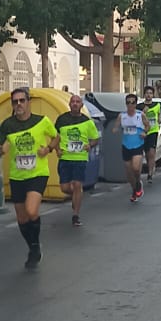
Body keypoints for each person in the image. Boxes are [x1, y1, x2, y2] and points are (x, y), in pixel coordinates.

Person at [0, 87, 60, 269]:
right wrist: (1, 149)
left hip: (38, 173)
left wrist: (47, 149)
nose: (19, 105)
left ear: (28, 102)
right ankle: (32, 247)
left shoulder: (42, 121)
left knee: (31, 211)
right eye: (15, 102)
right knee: (22, 218)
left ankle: (36, 245)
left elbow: (56, 137)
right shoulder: (8, 125)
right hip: (17, 175)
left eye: (22, 101)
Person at [55, 93, 101, 227]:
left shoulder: (87, 122)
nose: (75, 103)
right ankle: (77, 194)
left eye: (77, 101)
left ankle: (75, 215)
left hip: (80, 158)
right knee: (65, 188)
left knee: (77, 184)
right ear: (69, 105)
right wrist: (57, 149)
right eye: (73, 101)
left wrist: (89, 145)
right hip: (65, 158)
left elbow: (95, 139)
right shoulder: (61, 120)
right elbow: (55, 137)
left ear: (81, 105)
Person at [118, 92, 147, 202]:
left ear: (136, 104)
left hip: (138, 144)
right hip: (126, 145)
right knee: (129, 173)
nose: (130, 105)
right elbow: (116, 126)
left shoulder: (140, 115)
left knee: (135, 168)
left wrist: (145, 132)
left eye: (133, 103)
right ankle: (134, 189)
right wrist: (115, 129)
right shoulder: (122, 116)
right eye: (128, 103)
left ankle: (138, 182)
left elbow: (148, 125)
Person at [143, 92, 161, 183]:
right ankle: (150, 166)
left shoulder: (157, 105)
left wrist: (160, 118)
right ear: (144, 95)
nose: (148, 95)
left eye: (150, 93)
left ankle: (150, 174)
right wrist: (143, 112)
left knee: (151, 152)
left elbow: (159, 114)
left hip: (153, 131)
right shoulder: (140, 106)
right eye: (147, 93)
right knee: (146, 153)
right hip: (143, 131)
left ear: (153, 95)